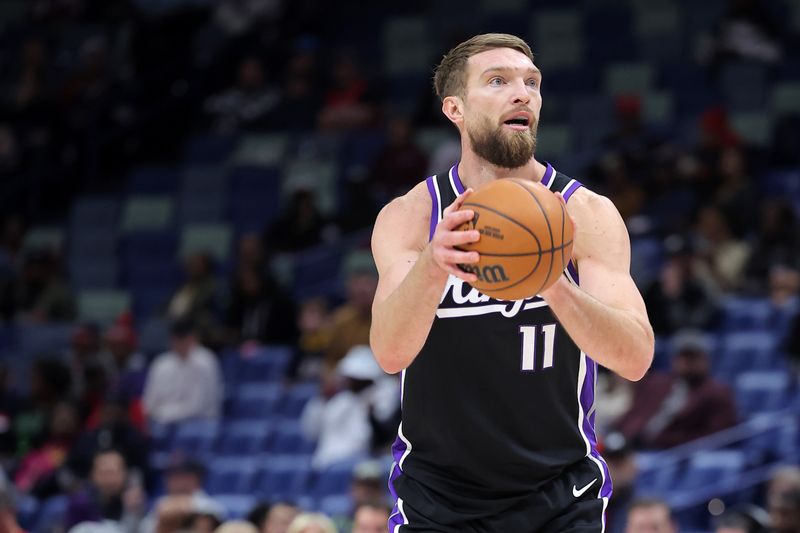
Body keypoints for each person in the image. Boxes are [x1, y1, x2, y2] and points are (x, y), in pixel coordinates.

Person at [370, 33, 654, 532]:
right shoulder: (412, 217)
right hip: (437, 498)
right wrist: (433, 265)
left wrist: (555, 285)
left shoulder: (585, 214)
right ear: (454, 109)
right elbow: (390, 353)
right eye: (498, 81)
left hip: (561, 494)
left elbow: (634, 359)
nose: (522, 93)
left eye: (532, 83)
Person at [142, 319, 223, 425]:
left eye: (184, 339)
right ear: (172, 340)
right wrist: (159, 414)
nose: (181, 343)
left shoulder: (205, 361)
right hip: (163, 421)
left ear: (193, 338)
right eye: (177, 339)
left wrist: (163, 413)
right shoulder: (161, 363)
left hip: (200, 423)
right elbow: (149, 404)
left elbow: (197, 407)